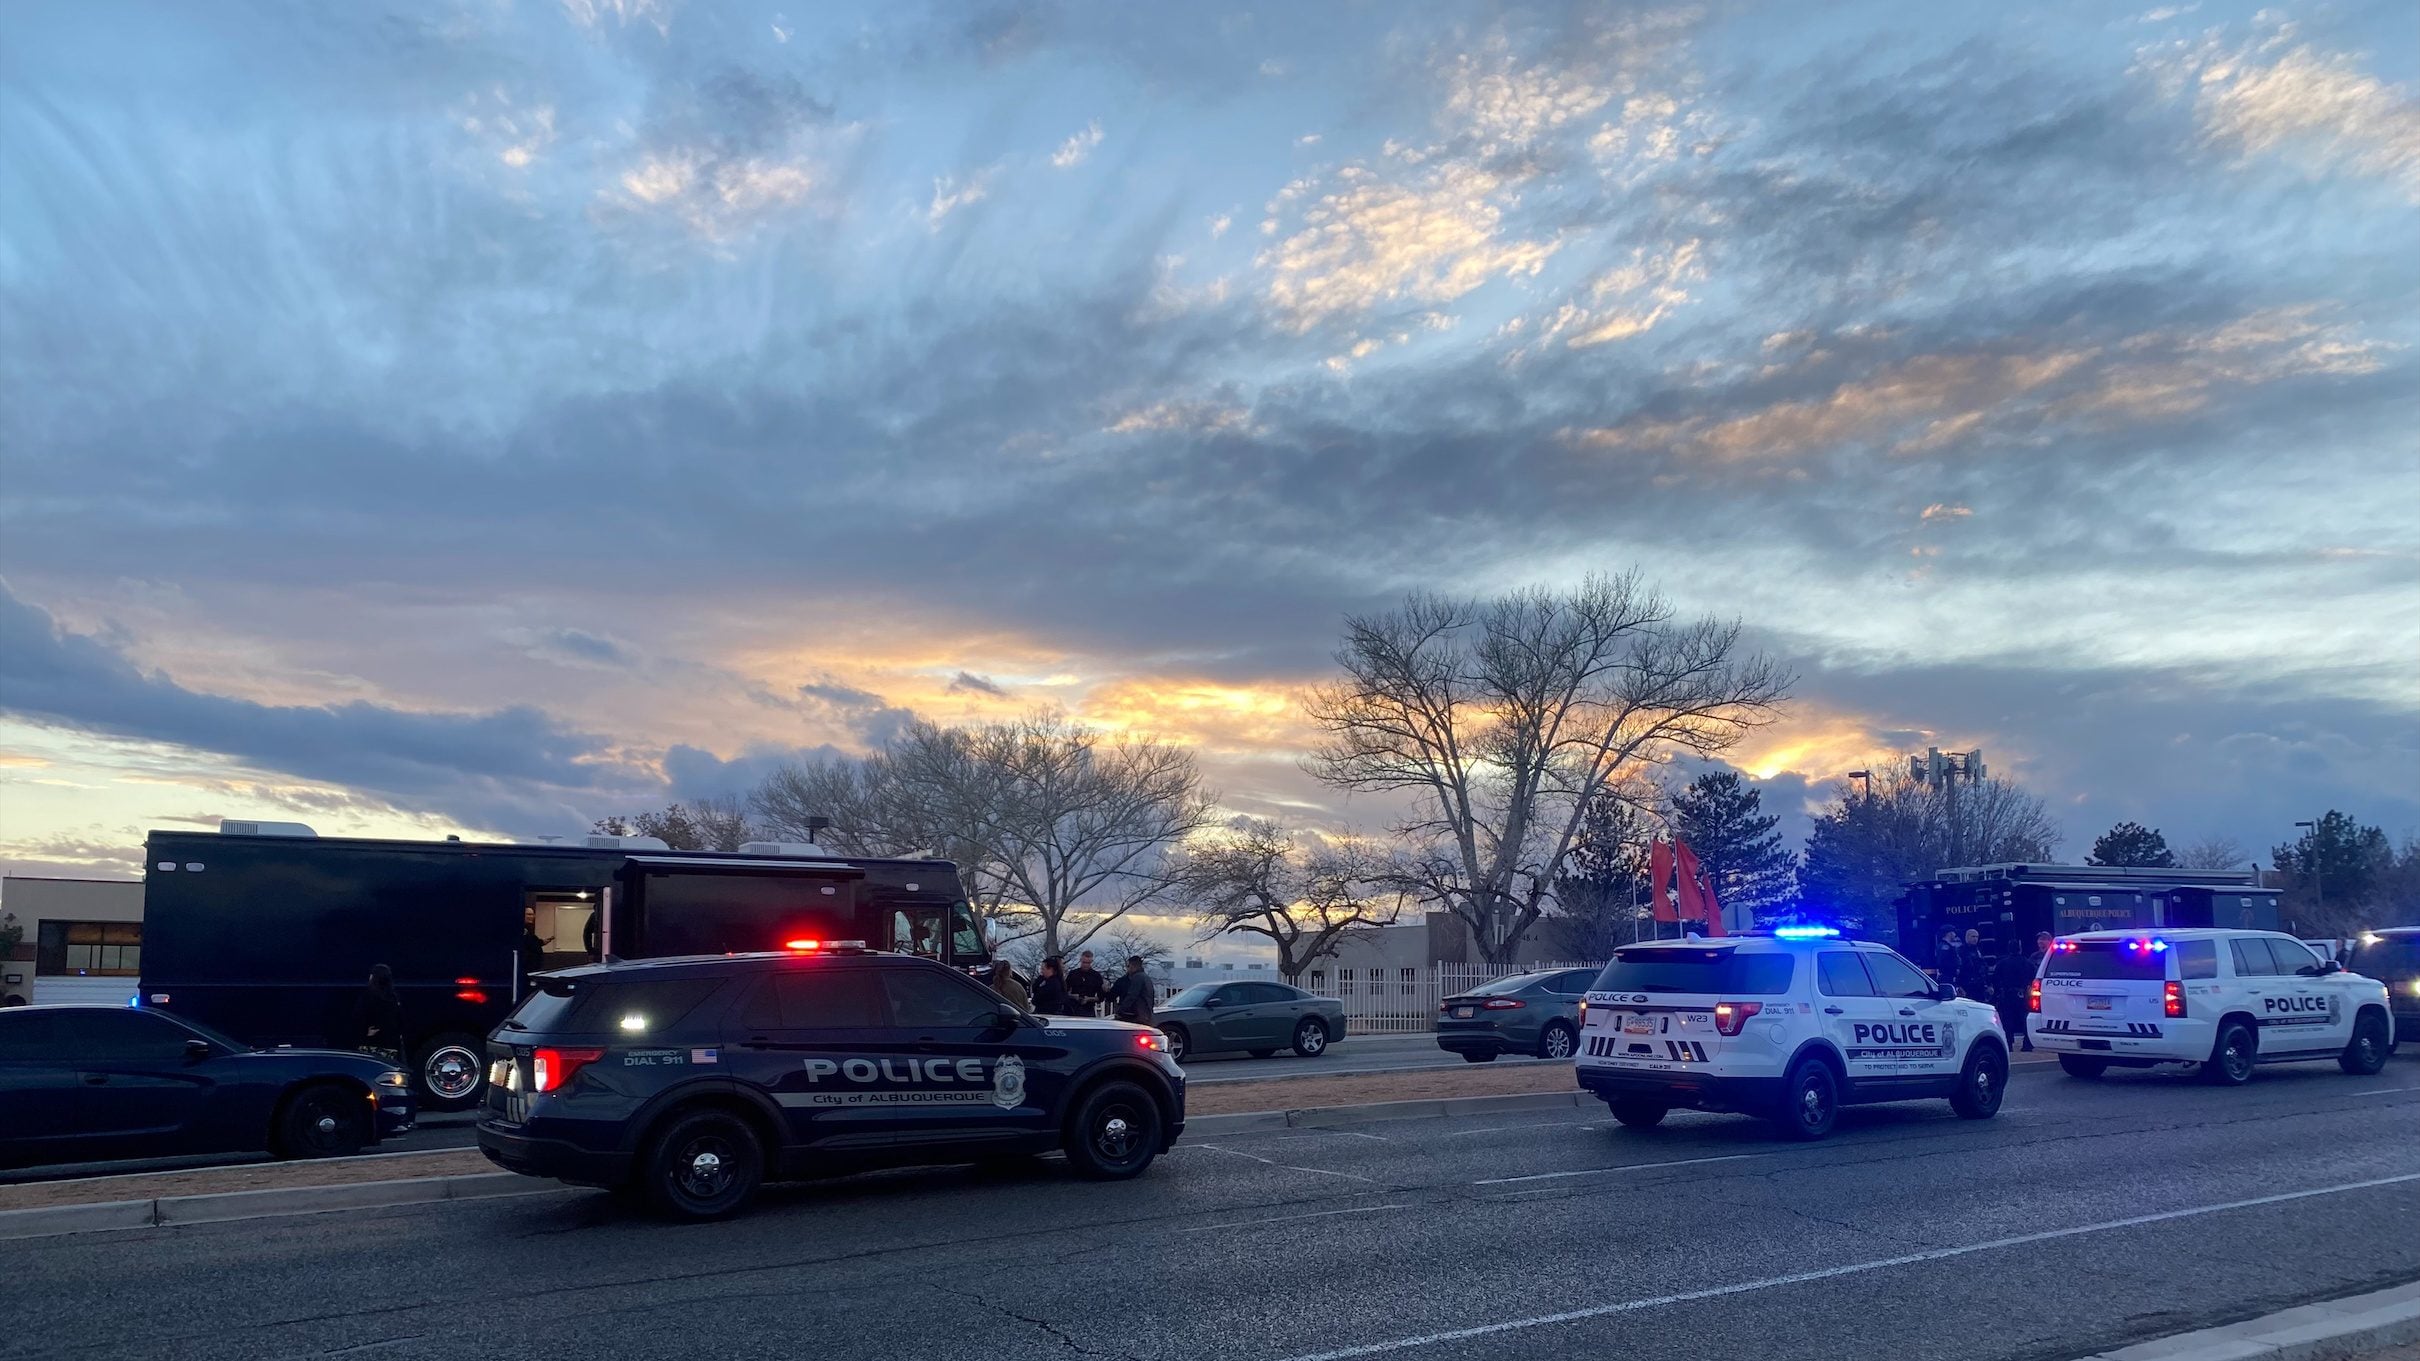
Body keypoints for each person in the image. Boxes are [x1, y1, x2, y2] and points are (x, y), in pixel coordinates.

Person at [351, 963, 405, 1062]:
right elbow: (399, 1020)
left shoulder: (367, 997)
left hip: (370, 1043)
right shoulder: (393, 998)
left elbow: (358, 1018)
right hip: (390, 1044)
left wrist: (364, 1032)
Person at [1992, 941, 2035, 1050]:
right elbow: (2033, 979)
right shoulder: (2028, 963)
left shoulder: (2002, 964)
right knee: (2025, 1019)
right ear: (2020, 949)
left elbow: (1995, 980)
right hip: (2023, 994)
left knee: (2007, 1020)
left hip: (2007, 995)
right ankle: (2027, 1044)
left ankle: (2008, 1043)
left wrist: (1997, 993)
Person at [1105, 956, 1155, 1025]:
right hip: (1145, 1015)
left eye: (1128, 966)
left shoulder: (1137, 978)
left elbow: (1131, 996)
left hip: (1135, 1016)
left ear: (1132, 966)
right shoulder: (1146, 978)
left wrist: (1121, 1010)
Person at [518, 908, 550, 990]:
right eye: (529, 914)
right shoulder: (521, 930)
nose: (531, 916)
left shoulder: (528, 930)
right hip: (526, 967)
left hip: (532, 967)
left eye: (532, 914)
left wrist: (541, 942)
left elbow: (532, 943)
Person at [1067, 950, 1106, 1018]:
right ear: (1080, 960)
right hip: (1073, 1009)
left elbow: (1101, 997)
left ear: (1091, 962)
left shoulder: (1096, 976)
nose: (1085, 965)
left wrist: (1089, 999)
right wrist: (1073, 996)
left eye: (1088, 963)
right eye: (1084, 962)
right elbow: (1064, 992)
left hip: (1088, 1010)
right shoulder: (1073, 974)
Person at [1959, 929, 1994, 1002]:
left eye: (1977, 937)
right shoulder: (1961, 951)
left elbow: (1984, 967)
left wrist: (1989, 984)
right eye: (1973, 936)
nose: (1975, 939)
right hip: (1966, 985)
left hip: (1979, 985)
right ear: (1967, 937)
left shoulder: (1978, 950)